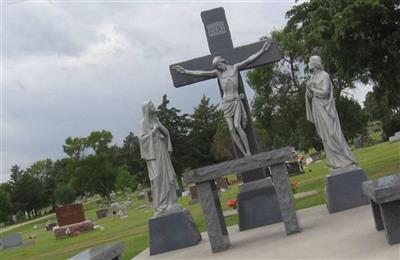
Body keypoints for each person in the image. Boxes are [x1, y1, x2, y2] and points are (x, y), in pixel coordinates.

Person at [173, 39, 272, 156]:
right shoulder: (218, 73)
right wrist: (185, 71)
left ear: (222, 61)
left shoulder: (235, 68)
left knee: (237, 126)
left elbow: (249, 60)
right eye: (217, 66)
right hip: (226, 102)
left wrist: (262, 50)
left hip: (235, 101)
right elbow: (201, 73)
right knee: (231, 129)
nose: (219, 67)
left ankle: (248, 152)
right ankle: (244, 153)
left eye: (219, 64)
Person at [305, 55, 357, 172]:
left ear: (315, 63)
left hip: (326, 108)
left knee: (332, 133)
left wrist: (312, 89)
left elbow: (325, 92)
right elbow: (309, 95)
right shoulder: (312, 77)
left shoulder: (325, 76)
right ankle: (335, 162)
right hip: (317, 108)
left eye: (310, 61)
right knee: (325, 136)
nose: (308, 63)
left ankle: (346, 159)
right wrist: (308, 90)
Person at [139, 101, 181, 217]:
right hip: (153, 154)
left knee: (167, 175)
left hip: (161, 150)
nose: (154, 106)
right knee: (157, 176)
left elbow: (166, 132)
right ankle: (160, 204)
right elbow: (142, 140)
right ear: (147, 109)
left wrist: (159, 127)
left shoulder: (156, 120)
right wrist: (153, 131)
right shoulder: (144, 122)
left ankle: (171, 202)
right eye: (151, 105)